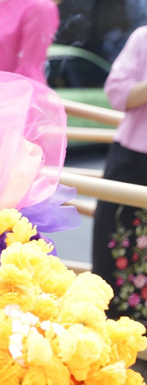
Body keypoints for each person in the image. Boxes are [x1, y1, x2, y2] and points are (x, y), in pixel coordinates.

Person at [91, 26, 147, 320]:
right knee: (113, 250)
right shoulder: (143, 37)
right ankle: (113, 338)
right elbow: (117, 92)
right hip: (133, 160)